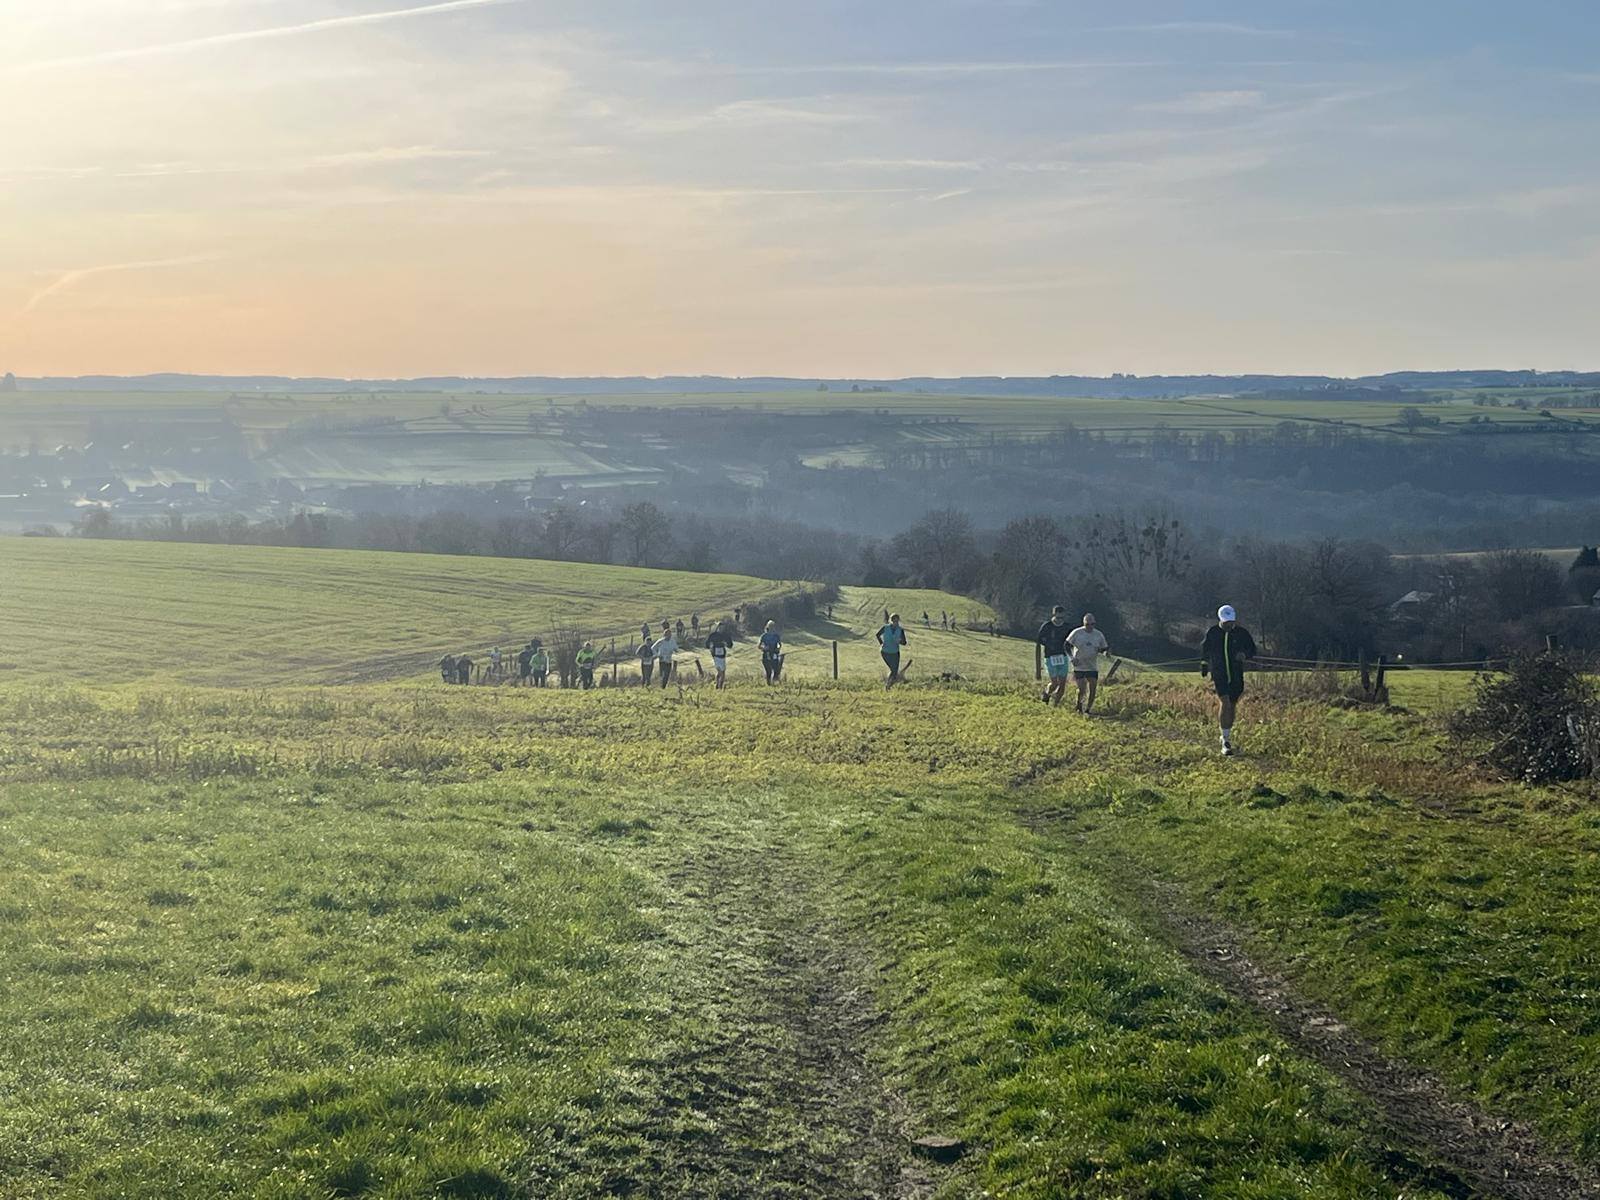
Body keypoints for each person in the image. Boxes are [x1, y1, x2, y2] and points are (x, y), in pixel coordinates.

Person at [1200, 604, 1257, 756]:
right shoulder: (1213, 633)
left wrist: (1245, 654)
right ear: (1221, 620)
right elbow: (1205, 650)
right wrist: (1204, 664)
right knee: (1224, 702)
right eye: (1226, 623)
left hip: (1236, 674)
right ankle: (1225, 740)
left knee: (1232, 704)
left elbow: (1252, 649)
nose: (1229, 625)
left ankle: (1227, 733)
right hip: (1220, 674)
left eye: (1231, 622)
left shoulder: (1241, 633)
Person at [1067, 612, 1110, 714]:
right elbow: (1066, 645)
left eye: (1092, 624)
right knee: (1082, 689)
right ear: (1083, 623)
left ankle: (1088, 710)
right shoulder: (1077, 633)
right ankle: (1079, 705)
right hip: (1079, 665)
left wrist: (1105, 652)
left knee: (1093, 688)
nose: (1090, 626)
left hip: (1092, 666)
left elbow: (1104, 648)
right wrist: (1071, 658)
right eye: (1087, 624)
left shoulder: (1098, 634)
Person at [1036, 606, 1073, 706]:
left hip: (1063, 656)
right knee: (1054, 683)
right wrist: (1049, 644)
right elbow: (1040, 639)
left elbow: (1072, 640)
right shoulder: (1047, 626)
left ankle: (1055, 705)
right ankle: (1047, 694)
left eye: (1062, 618)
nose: (1060, 620)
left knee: (1062, 683)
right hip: (1050, 657)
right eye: (1058, 618)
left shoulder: (1067, 627)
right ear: (1054, 615)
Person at [876, 612, 909, 689]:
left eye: (897, 621)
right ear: (891, 621)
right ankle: (888, 686)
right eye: (894, 621)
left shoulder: (900, 630)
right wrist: (881, 643)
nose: (896, 623)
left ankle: (888, 685)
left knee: (894, 670)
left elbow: (904, 642)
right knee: (893, 670)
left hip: (895, 653)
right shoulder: (885, 628)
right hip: (885, 652)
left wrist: (899, 641)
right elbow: (877, 635)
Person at [706, 620, 734, 689]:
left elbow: (730, 645)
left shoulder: (725, 635)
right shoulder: (713, 635)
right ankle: (720, 687)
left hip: (722, 655)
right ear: (717, 627)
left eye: (723, 628)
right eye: (720, 628)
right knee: (720, 671)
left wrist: (726, 644)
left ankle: (717, 685)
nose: (721, 629)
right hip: (715, 655)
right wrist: (710, 645)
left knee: (722, 672)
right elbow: (707, 644)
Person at [759, 620, 783, 684]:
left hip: (774, 655)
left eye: (773, 627)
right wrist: (764, 648)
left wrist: (778, 648)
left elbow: (779, 645)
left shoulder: (776, 636)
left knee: (776, 670)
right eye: (771, 627)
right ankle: (769, 684)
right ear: (768, 627)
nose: (772, 628)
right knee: (768, 671)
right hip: (766, 655)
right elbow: (759, 646)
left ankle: (774, 682)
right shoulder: (764, 636)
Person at [654, 623, 678, 688]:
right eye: (667, 635)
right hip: (662, 659)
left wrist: (675, 650)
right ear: (664, 635)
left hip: (669, 659)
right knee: (662, 674)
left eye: (670, 635)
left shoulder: (672, 641)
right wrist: (657, 655)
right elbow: (653, 648)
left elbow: (676, 649)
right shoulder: (660, 641)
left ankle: (664, 686)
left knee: (667, 674)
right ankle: (660, 685)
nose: (669, 636)